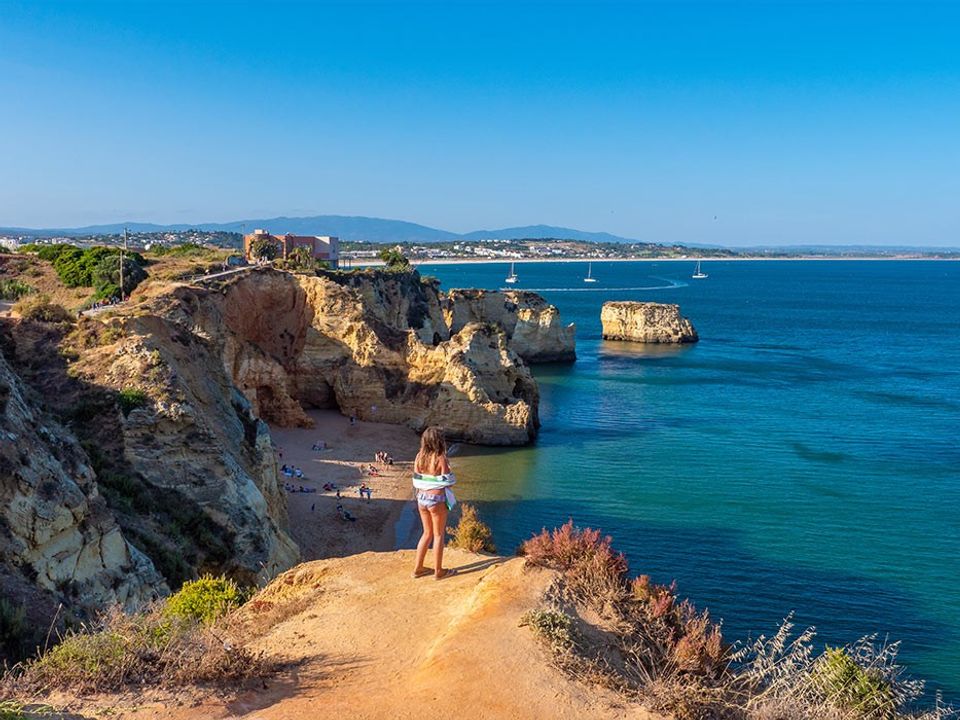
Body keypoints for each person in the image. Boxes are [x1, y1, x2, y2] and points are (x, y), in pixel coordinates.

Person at [411, 426, 457, 580]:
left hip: (421, 499)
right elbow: (448, 481)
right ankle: (439, 572)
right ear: (439, 441)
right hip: (437, 500)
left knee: (426, 533)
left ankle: (418, 569)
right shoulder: (440, 458)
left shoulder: (419, 457)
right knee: (438, 535)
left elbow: (417, 478)